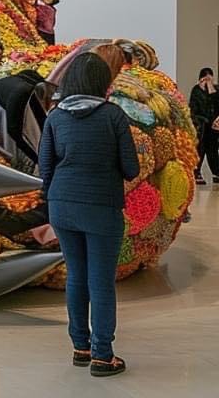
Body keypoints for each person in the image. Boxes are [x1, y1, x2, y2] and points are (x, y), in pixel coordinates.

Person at [38, 52, 139, 378]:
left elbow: (45, 167)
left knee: (76, 276)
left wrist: (54, 199)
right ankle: (103, 355)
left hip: (62, 205)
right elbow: (131, 168)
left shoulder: (55, 117)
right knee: (101, 281)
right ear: (102, 83)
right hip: (101, 206)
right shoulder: (113, 116)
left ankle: (80, 346)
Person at [189, 67, 219, 185]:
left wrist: (211, 90)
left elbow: (216, 105)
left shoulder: (215, 90)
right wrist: (201, 89)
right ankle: (196, 173)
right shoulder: (196, 90)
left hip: (213, 126)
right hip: (201, 125)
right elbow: (194, 109)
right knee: (200, 149)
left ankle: (216, 172)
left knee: (213, 149)